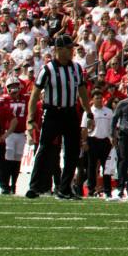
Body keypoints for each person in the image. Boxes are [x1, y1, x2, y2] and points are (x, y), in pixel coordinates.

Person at [26, 33, 89, 199]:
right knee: (45, 148)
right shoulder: (47, 69)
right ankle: (34, 186)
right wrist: (30, 119)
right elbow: (35, 94)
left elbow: (82, 90)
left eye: (72, 49)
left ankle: (64, 188)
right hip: (53, 112)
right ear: (58, 49)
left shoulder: (76, 68)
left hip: (70, 112)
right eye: (68, 49)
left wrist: (88, 112)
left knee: (73, 151)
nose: (71, 52)